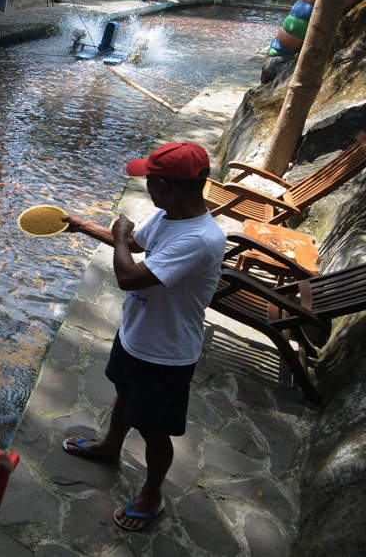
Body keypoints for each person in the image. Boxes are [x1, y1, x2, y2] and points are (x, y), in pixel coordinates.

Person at [60, 142, 226, 532]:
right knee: (123, 396)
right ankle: (110, 447)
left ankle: (151, 495)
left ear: (167, 185)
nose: (146, 187)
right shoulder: (170, 215)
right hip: (136, 336)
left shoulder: (200, 239)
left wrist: (119, 236)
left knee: (154, 430)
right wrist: (83, 225)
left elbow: (128, 274)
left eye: (149, 180)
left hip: (165, 353)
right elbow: (135, 244)